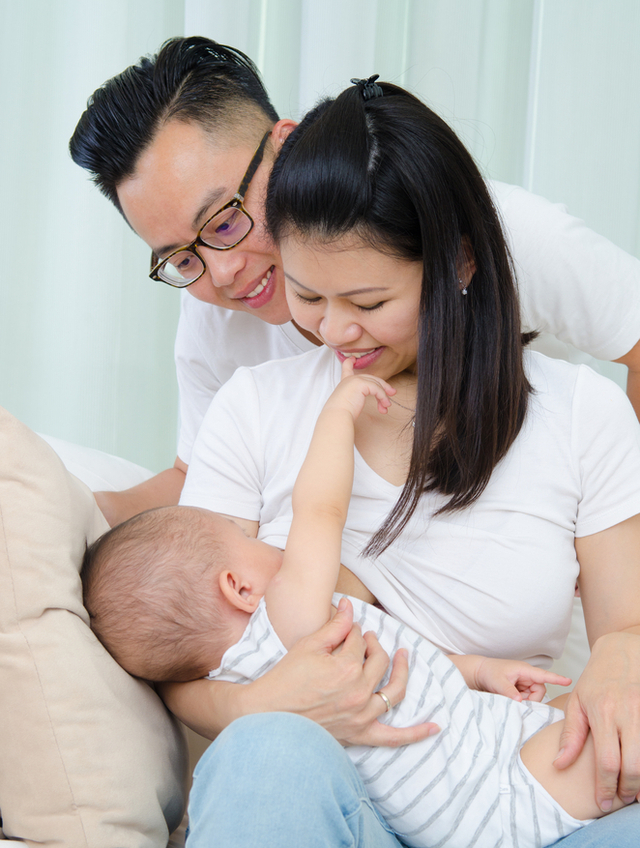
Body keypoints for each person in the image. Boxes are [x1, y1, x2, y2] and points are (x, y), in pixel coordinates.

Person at [166, 78, 640, 848]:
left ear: (459, 261)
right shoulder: (255, 410)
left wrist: (621, 652)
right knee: (266, 756)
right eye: (307, 297)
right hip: (346, 822)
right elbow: (185, 655)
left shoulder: (581, 416)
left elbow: (627, 625)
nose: (334, 330)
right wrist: (272, 702)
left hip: (517, 823)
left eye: (368, 302)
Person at [83, 357, 625, 848]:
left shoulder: (246, 674)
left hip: (465, 783)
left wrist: (478, 670)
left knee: (586, 722)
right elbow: (321, 510)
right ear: (239, 587)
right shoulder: (291, 614)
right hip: (489, 786)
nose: (264, 543)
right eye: (245, 542)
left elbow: (398, 666)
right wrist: (337, 417)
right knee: (614, 739)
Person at [69, 36, 640, 534]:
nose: (223, 272)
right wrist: (73, 510)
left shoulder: (495, 235)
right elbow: (197, 479)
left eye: (223, 221)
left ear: (284, 145)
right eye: (182, 259)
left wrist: (604, 525)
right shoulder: (215, 314)